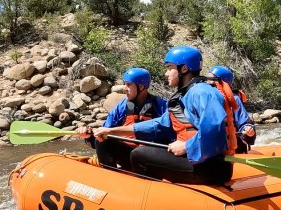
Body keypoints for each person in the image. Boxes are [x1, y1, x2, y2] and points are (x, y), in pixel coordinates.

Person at [96, 46, 238, 185]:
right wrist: (112, 131)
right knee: (111, 143)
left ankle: (150, 200)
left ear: (184, 69)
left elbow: (215, 128)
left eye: (170, 68)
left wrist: (187, 146)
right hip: (195, 160)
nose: (166, 73)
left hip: (211, 167)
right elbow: (158, 125)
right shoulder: (185, 95)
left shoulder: (202, 92)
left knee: (139, 155)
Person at [77, 67, 167, 170]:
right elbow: (102, 136)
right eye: (124, 84)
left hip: (151, 158)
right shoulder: (122, 107)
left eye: (128, 85)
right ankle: (111, 177)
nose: (124, 88)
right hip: (130, 156)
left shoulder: (161, 106)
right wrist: (88, 136)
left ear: (141, 86)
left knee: (142, 152)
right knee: (102, 140)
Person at [209, 65, 257, 153]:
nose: (207, 82)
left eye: (210, 79)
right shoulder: (205, 98)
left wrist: (248, 129)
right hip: (213, 148)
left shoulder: (234, 99)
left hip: (235, 147)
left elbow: (244, 122)